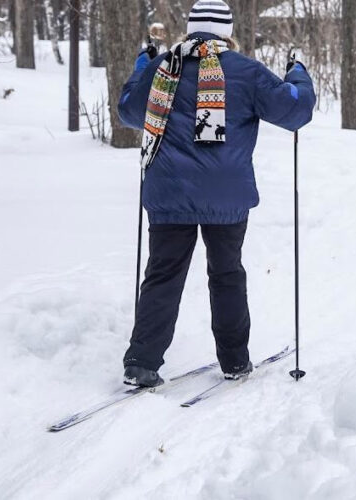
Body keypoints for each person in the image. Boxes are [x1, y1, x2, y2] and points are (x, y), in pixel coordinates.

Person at [116, 0, 317, 387]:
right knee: (226, 274)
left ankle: (141, 362)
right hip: (226, 195)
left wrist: (143, 65)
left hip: (169, 192)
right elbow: (296, 111)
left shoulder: (164, 68)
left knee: (163, 275)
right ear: (227, 31)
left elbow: (129, 111)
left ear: (190, 29)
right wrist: (298, 72)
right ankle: (235, 362)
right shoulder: (246, 71)